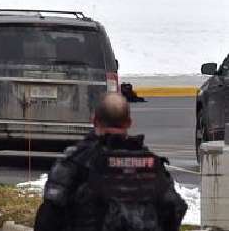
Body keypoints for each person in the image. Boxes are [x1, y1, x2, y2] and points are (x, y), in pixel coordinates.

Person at [34, 93, 186, 231]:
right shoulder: (151, 164)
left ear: (94, 120)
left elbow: (49, 217)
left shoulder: (76, 161)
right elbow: (174, 210)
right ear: (128, 122)